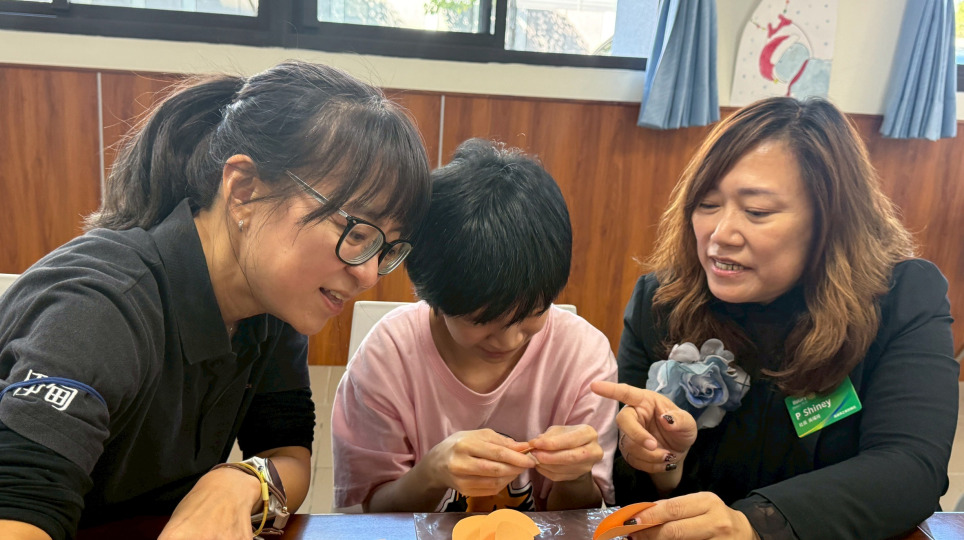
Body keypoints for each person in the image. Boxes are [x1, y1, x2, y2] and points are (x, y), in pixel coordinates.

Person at [0, 60, 431, 540]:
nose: (369, 274)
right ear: (244, 190)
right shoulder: (100, 310)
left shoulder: (270, 305)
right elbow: (20, 515)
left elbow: (289, 454)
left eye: (386, 248)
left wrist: (238, 481)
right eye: (356, 231)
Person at [591, 96, 957, 540]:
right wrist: (663, 460)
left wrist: (754, 526)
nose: (720, 234)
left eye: (757, 212)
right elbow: (630, 493)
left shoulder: (900, 297)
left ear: (829, 220)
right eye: (707, 204)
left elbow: (911, 468)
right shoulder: (662, 301)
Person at [331, 139, 618, 513]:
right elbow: (367, 516)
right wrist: (432, 473)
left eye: (533, 312)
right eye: (483, 321)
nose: (510, 340)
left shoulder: (584, 357)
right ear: (434, 296)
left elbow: (585, 518)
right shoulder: (387, 357)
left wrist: (576, 475)